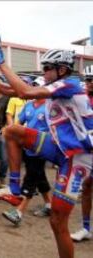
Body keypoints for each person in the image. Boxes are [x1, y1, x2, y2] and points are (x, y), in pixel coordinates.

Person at [0, 41, 93, 258]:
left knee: (57, 221)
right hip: (61, 146)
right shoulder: (55, 84)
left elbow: (25, 91)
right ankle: (14, 192)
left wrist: (0, 62)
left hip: (79, 156)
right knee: (12, 131)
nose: (43, 72)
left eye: (47, 68)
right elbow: (11, 90)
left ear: (62, 70)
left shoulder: (70, 84)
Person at [2, 98, 52, 225]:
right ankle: (49, 204)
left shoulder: (51, 106)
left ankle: (19, 212)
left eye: (38, 87)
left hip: (42, 147)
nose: (35, 89)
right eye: (33, 86)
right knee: (39, 175)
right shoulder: (29, 105)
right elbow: (19, 122)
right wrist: (12, 132)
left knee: (31, 176)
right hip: (28, 146)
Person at [70, 64, 93, 241]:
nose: (88, 83)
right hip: (87, 152)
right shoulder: (82, 98)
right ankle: (86, 228)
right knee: (86, 189)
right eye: (87, 80)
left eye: (91, 80)